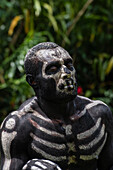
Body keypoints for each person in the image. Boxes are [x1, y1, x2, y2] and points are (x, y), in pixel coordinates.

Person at [0, 42, 113, 170]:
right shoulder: (19, 126)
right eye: (53, 69)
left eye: (69, 65)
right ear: (33, 81)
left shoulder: (99, 114)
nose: (66, 73)